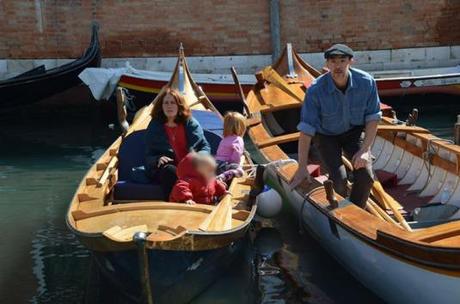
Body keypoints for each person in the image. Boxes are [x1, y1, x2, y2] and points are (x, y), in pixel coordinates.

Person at [290, 44, 382, 208]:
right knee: (339, 180)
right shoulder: (315, 90)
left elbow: (373, 119)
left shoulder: (367, 83)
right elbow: (306, 130)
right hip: (326, 136)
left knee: (366, 177)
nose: (338, 66)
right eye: (333, 61)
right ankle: (340, 209)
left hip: (353, 132)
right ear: (327, 64)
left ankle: (354, 210)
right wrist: (302, 166)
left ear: (351, 61)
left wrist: (365, 150)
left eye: (342, 60)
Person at [144, 87, 210, 199]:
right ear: (161, 106)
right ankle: (173, 202)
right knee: (169, 171)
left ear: (179, 105)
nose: (169, 106)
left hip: (189, 167)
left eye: (172, 103)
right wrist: (157, 159)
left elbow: (204, 147)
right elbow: (148, 155)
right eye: (166, 103)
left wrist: (198, 158)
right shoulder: (154, 126)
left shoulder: (191, 124)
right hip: (167, 169)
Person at [214, 112, 246, 183]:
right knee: (240, 172)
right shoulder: (238, 139)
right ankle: (223, 176)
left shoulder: (224, 139)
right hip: (224, 165)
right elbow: (236, 156)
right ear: (241, 127)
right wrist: (236, 165)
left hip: (215, 164)